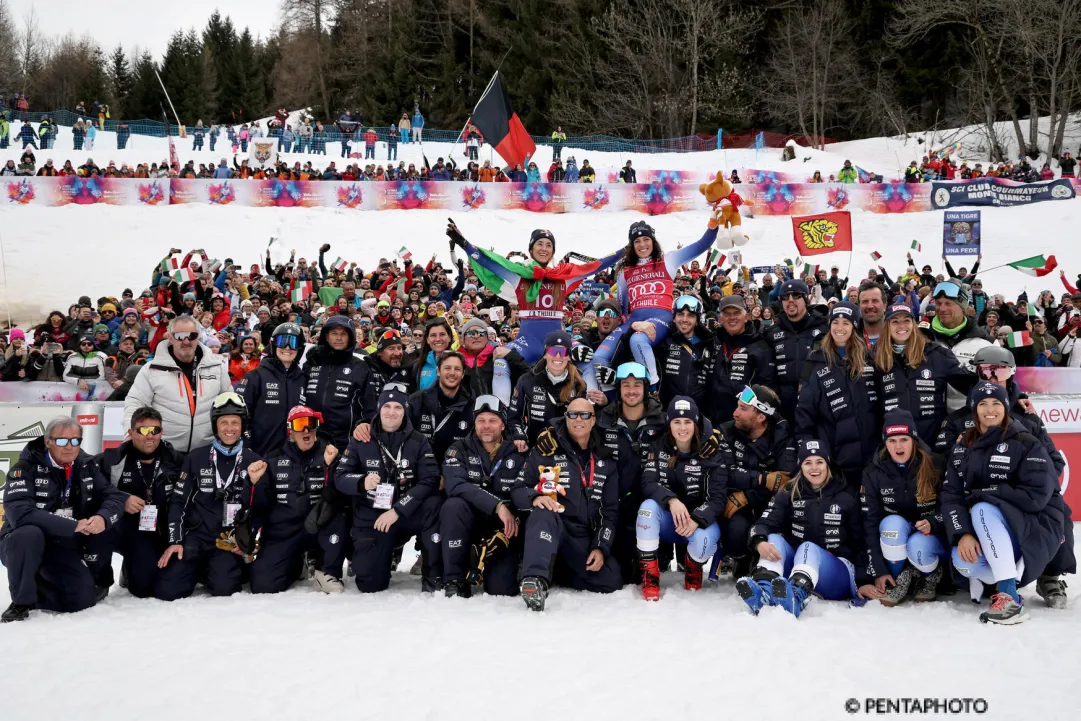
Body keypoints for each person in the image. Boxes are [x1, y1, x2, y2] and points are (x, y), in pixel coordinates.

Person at [942, 382, 1067, 624]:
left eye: (997, 403)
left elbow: (1036, 497)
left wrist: (985, 494)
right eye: (983, 404)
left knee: (981, 508)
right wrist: (963, 534)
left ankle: (1009, 597)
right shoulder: (962, 446)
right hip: (990, 531)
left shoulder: (1027, 442)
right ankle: (1005, 580)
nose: (990, 409)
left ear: (1006, 408)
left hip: (1034, 528)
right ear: (974, 409)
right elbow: (950, 495)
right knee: (962, 560)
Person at [448, 221, 621, 369]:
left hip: (557, 342)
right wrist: (464, 243)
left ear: (553, 251)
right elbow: (489, 262)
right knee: (499, 358)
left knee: (588, 360)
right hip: (526, 343)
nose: (544, 248)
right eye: (539, 244)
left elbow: (597, 265)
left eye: (548, 245)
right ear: (531, 249)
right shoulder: (519, 275)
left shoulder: (564, 277)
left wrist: (626, 250)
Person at [0, 417, 125, 622]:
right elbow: (20, 513)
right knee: (28, 534)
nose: (69, 447)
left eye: (75, 441)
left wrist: (102, 518)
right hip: (22, 542)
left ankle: (38, 585)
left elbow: (114, 496)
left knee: (82, 600)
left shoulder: (87, 465)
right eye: (61, 441)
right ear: (48, 441)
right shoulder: (24, 467)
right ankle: (22, 601)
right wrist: (73, 525)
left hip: (63, 542)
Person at [735, 438, 869, 617]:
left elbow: (862, 540)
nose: (814, 468)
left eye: (819, 462)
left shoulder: (847, 495)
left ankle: (796, 598)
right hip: (801, 566)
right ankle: (764, 592)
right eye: (808, 463)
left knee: (808, 547)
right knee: (773, 539)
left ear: (828, 464)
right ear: (801, 466)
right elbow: (763, 524)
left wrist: (865, 580)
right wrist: (759, 542)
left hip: (837, 571)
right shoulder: (789, 491)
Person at [512, 396, 623, 610]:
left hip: (581, 534)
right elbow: (517, 490)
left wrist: (601, 547)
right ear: (566, 418)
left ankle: (556, 569)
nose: (578, 419)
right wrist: (535, 497)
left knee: (611, 579)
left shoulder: (605, 459)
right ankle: (535, 579)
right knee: (543, 511)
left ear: (593, 420)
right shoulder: (546, 449)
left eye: (585, 415)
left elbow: (609, 512)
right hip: (553, 525)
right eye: (573, 414)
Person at [155, 393, 266, 600]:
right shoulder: (195, 458)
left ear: (243, 426)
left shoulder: (255, 461)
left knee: (225, 589)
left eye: (235, 422)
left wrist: (247, 543)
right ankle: (194, 569)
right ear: (215, 426)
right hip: (195, 538)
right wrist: (175, 541)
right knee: (168, 590)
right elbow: (179, 503)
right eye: (224, 422)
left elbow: (260, 507)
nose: (230, 428)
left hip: (227, 540)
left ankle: (215, 571)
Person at [586, 219, 719, 391]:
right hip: (634, 321)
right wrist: (633, 324)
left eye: (646, 239)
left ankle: (652, 390)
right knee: (599, 357)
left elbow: (702, 245)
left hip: (661, 317)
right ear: (632, 245)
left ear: (653, 241)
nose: (642, 244)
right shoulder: (624, 273)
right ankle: (608, 398)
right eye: (637, 241)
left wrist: (713, 226)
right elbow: (623, 308)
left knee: (638, 340)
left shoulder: (668, 260)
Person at [333, 386, 443, 592]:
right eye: (387, 406)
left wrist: (399, 509)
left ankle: (433, 573)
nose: (392, 412)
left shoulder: (418, 441)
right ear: (379, 409)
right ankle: (375, 555)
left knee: (435, 505)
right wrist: (361, 482)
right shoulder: (361, 439)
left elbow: (430, 480)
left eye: (398, 407)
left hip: (406, 511)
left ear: (405, 411)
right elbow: (340, 477)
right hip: (374, 514)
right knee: (370, 584)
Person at [636, 396, 726, 600]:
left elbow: (718, 498)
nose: (682, 428)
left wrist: (697, 519)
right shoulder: (657, 445)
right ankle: (650, 574)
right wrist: (671, 500)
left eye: (688, 422)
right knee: (647, 508)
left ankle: (693, 567)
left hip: (698, 522)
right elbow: (648, 483)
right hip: (669, 519)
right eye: (677, 421)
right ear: (669, 423)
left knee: (704, 543)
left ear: (696, 424)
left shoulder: (710, 450)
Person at [440, 395, 526, 598]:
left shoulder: (519, 453)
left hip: (502, 529)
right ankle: (454, 578)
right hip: (468, 522)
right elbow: (455, 485)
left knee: (501, 590)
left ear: (503, 425)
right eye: (481, 420)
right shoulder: (457, 449)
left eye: (492, 421)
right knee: (452, 506)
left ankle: (486, 565)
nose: (486, 426)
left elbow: (524, 491)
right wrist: (497, 505)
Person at [859, 410, 948, 606]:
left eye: (903, 439)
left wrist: (934, 522)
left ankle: (930, 577)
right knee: (892, 524)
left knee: (918, 545)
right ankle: (897, 579)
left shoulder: (936, 464)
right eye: (892, 441)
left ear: (913, 440)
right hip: (898, 533)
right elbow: (870, 522)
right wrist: (879, 570)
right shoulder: (873, 472)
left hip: (929, 539)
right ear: (885, 443)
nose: (898, 446)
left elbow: (951, 506)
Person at [95, 407, 183, 599]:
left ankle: (130, 568)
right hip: (121, 526)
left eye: (155, 430)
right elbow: (93, 489)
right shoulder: (112, 459)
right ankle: (99, 580)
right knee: (97, 525)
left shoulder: (175, 459)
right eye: (143, 430)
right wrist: (122, 499)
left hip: (154, 530)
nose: (149, 436)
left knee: (144, 588)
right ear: (131, 432)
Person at [250, 406, 339, 594]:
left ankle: (326, 570)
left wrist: (330, 468)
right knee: (263, 585)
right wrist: (253, 484)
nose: (306, 430)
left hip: (318, 528)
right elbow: (260, 504)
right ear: (290, 431)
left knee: (339, 519)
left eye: (310, 424)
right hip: (284, 531)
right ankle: (296, 564)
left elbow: (339, 494)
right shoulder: (273, 459)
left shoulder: (328, 454)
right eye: (300, 425)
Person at [713, 384, 797, 581]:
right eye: (737, 406)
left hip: (766, 503)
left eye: (743, 408)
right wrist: (761, 478)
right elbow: (724, 473)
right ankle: (739, 558)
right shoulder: (725, 430)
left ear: (761, 417)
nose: (735, 413)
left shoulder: (782, 435)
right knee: (735, 528)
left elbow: (784, 482)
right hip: (735, 504)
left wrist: (747, 495)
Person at [796, 302, 878, 490]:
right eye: (835, 322)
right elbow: (804, 417)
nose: (840, 328)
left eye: (846, 323)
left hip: (870, 459)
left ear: (855, 327)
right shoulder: (815, 361)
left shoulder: (869, 359)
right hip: (835, 461)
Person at [123, 316, 232, 454]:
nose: (186, 341)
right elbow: (135, 403)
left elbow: (229, 404)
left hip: (208, 451)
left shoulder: (217, 367)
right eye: (180, 336)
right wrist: (130, 435)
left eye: (191, 335)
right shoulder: (151, 369)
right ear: (170, 337)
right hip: (165, 451)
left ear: (198, 337)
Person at [874, 302, 975, 442]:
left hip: (932, 444)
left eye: (907, 321)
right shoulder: (876, 357)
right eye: (895, 321)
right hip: (895, 445)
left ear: (914, 324)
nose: (901, 326)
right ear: (887, 326)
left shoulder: (938, 354)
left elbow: (972, 387)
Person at [299, 315, 369, 448]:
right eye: (334, 333)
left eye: (343, 334)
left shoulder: (361, 367)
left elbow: (369, 405)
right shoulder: (312, 362)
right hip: (311, 436)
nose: (338, 338)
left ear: (351, 337)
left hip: (345, 441)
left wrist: (365, 423)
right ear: (326, 336)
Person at [763, 279, 828, 421]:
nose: (790, 300)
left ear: (805, 299)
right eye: (785, 297)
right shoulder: (771, 333)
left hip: (818, 408)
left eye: (796, 295)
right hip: (783, 410)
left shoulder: (825, 328)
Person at [509, 331, 587, 445]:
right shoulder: (527, 380)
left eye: (563, 352)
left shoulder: (579, 384)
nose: (558, 356)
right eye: (553, 351)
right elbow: (513, 417)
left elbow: (584, 421)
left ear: (569, 357)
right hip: (534, 447)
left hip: (567, 449)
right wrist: (519, 437)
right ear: (545, 354)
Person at [239, 322, 304, 457]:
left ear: (300, 347)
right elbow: (241, 414)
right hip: (261, 454)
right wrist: (247, 445)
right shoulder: (255, 376)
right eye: (282, 341)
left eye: (293, 342)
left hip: (295, 457)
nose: (287, 347)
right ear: (273, 344)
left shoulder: (304, 379)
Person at [708, 295, 775, 425]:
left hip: (744, 424)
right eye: (727, 314)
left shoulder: (761, 346)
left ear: (746, 317)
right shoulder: (714, 342)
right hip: (712, 422)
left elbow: (767, 390)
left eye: (737, 313)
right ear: (721, 319)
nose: (732, 318)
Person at [921, 278, 990, 394]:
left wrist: (1018, 396)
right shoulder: (922, 337)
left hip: (968, 410)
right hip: (929, 410)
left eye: (948, 303)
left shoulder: (986, 342)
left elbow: (1000, 381)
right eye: (938, 303)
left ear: (962, 307)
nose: (942, 309)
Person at [407, 351, 474, 460]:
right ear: (438, 371)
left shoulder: (472, 404)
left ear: (463, 374)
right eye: (447, 368)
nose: (452, 373)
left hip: (457, 469)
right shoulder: (417, 401)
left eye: (457, 369)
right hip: (423, 467)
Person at [654, 295, 715, 411]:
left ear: (697, 320)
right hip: (669, 412)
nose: (685, 320)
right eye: (680, 314)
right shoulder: (663, 342)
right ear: (674, 318)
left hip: (699, 414)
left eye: (691, 316)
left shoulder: (709, 344)